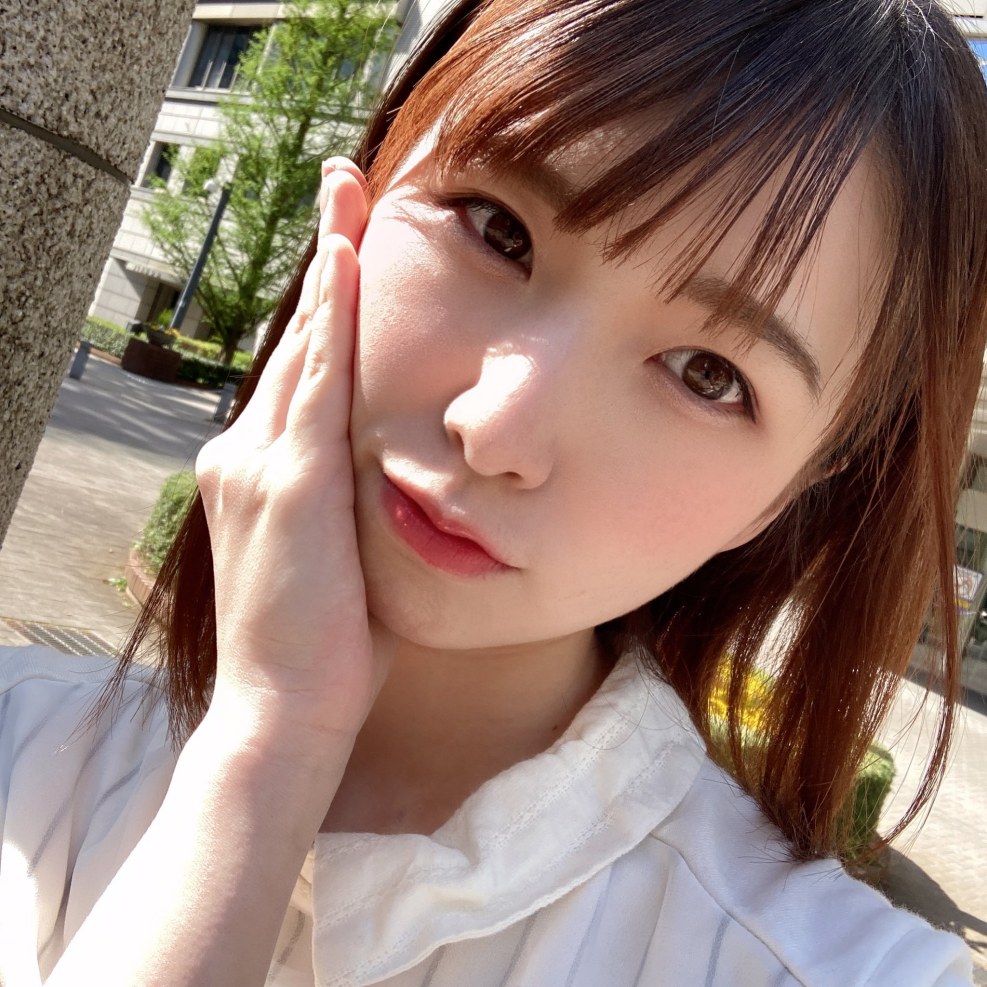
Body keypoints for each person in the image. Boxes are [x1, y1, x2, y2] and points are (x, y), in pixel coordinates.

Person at [2, 0, 987, 983]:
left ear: (793, 490)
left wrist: (270, 743)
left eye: (705, 375)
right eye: (498, 230)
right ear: (364, 192)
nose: (496, 430)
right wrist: (266, 750)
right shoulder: (18, 732)